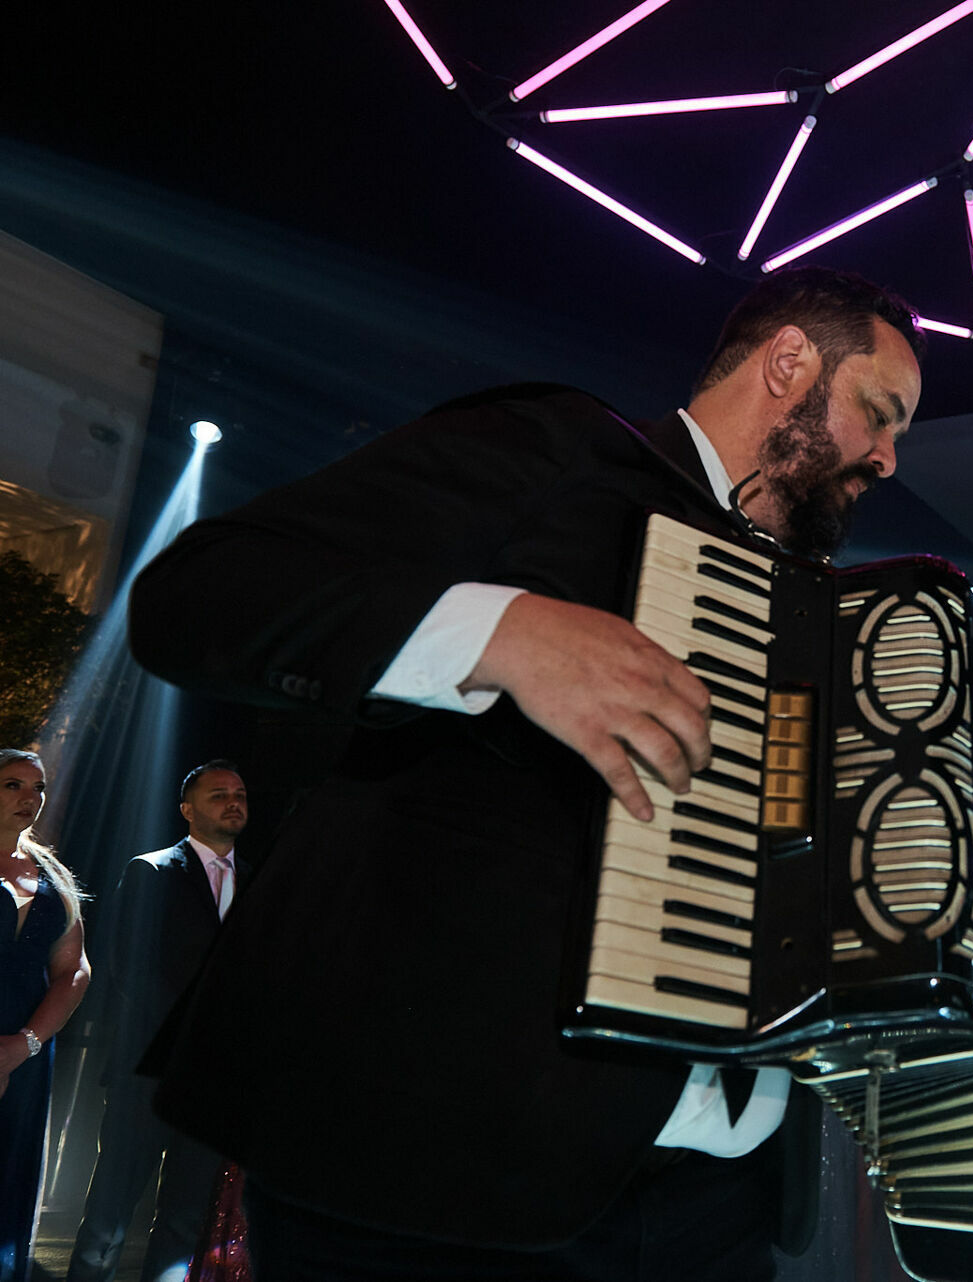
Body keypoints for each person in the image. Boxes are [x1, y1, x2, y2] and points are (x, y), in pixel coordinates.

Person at [124, 268, 925, 1279]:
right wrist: (502, 632)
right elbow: (197, 597)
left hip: (726, 1209)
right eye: (879, 412)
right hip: (442, 1178)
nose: (892, 457)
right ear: (790, 361)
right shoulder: (564, 450)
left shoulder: (821, 617)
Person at [68, 761, 253, 1282]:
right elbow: (130, 966)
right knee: (110, 1213)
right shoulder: (150, 870)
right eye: (219, 794)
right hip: (148, 1070)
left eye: (239, 794)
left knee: (184, 1219)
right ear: (186, 810)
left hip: (214, 1085)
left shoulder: (260, 881)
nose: (234, 802)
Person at [0, 749, 90, 1282]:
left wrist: (23, 1046)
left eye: (38, 788)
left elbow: (75, 971)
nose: (29, 799)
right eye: (13, 785)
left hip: (30, 1047)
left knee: (11, 1180)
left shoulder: (55, 875)